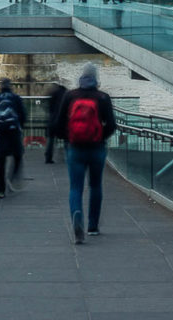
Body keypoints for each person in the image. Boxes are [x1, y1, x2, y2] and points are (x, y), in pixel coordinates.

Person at [54, 63, 117, 243]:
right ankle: (93, 226)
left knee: (75, 187)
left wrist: (68, 139)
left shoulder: (70, 96)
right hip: (97, 148)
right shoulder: (103, 97)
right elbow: (111, 125)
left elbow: (58, 124)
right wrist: (100, 137)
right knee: (96, 186)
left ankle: (77, 216)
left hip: (75, 148)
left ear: (81, 77)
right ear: (97, 78)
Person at [0, 78, 26, 198]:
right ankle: (12, 177)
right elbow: (23, 114)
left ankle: (1, 189)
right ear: (10, 86)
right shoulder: (15, 98)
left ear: (1, 87)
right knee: (18, 156)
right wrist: (20, 126)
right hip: (14, 131)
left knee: (1, 161)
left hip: (2, 132)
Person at [43, 82, 66, 164]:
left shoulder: (53, 94)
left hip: (52, 120)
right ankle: (68, 156)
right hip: (62, 121)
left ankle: (48, 157)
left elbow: (49, 107)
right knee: (66, 139)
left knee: (51, 140)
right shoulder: (65, 94)